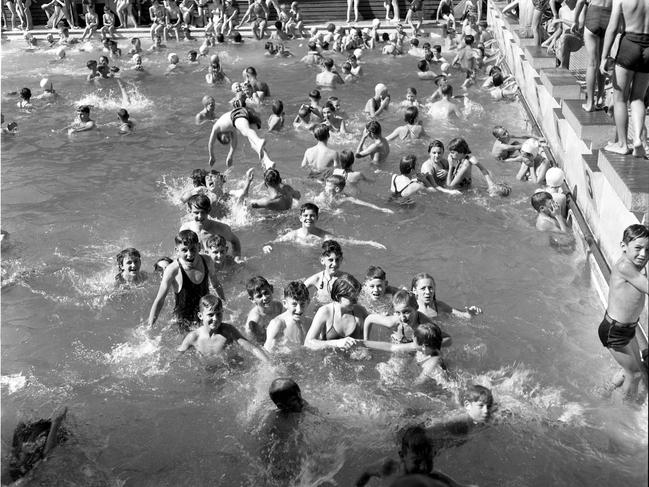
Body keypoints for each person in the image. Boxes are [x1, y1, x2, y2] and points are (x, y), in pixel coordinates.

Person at [598, 224, 649, 398]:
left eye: (648, 250)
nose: (643, 254)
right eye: (638, 248)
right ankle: (627, 415)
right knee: (634, 374)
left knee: (636, 367)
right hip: (615, 331)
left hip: (627, 329)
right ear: (623, 246)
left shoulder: (636, 265)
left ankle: (603, 393)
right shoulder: (624, 267)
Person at [599, 0, 649, 156]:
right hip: (648, 49)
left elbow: (612, 28)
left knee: (620, 98)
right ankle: (637, 140)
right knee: (638, 98)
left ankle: (622, 144)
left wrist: (604, 56)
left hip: (629, 45)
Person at [148, 230, 223, 330]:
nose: (189, 254)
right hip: (184, 321)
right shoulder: (172, 270)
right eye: (184, 250)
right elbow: (160, 300)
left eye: (193, 249)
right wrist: (150, 326)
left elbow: (216, 284)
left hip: (206, 315)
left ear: (199, 247)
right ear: (176, 250)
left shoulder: (207, 261)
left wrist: (223, 302)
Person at [355, 426, 474, 486]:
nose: (423, 467)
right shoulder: (387, 467)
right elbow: (366, 471)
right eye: (417, 462)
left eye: (428, 461)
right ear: (402, 456)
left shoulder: (434, 477)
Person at [177, 294, 270, 364]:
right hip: (208, 370)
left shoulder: (228, 331)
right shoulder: (193, 337)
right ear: (200, 316)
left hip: (230, 368)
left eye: (219, 314)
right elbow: (178, 356)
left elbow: (251, 347)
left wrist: (269, 364)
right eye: (210, 315)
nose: (215, 319)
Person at [263, 202, 386, 252]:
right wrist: (267, 245)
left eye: (312, 216)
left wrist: (368, 243)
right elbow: (275, 242)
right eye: (305, 215)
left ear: (317, 218)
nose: (308, 218)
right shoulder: (293, 235)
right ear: (300, 218)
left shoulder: (323, 236)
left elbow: (347, 241)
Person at [304, 272, 368, 350]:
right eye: (352, 299)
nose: (356, 302)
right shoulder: (325, 312)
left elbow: (366, 344)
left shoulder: (360, 312)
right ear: (338, 296)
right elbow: (308, 343)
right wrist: (337, 343)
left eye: (356, 298)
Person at [207, 98, 274, 169]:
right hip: (250, 115)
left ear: (219, 135)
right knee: (253, 144)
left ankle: (258, 140)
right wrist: (230, 156)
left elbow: (211, 143)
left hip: (238, 113)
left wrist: (212, 156)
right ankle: (268, 162)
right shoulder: (231, 130)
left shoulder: (216, 127)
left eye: (225, 138)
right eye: (228, 139)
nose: (228, 137)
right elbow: (234, 143)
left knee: (246, 131)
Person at [179, 194, 242, 258]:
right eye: (196, 213)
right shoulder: (185, 229)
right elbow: (181, 249)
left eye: (203, 212)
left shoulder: (220, 228)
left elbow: (235, 241)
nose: (200, 216)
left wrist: (237, 257)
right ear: (189, 211)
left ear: (209, 210)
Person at [425, 384, 493, 437]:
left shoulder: (486, 415)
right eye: (481, 406)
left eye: (488, 406)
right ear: (468, 405)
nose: (486, 411)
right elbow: (432, 424)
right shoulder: (459, 420)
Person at [410, 273, 481, 319]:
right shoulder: (409, 308)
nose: (428, 292)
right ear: (414, 290)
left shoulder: (439, 305)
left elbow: (461, 315)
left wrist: (470, 314)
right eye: (423, 288)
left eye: (430, 288)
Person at [264, 281, 311, 351]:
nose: (299, 309)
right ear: (285, 303)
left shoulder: (310, 322)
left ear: (308, 302)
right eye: (294, 304)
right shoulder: (278, 324)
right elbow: (267, 351)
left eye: (302, 304)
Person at [316, 174, 394, 214]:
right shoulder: (323, 195)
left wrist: (380, 209)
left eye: (327, 186)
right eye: (326, 185)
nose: (325, 187)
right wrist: (334, 212)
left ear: (337, 189)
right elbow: (319, 207)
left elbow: (362, 202)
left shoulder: (344, 197)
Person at [244, 275, 284, 344]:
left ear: (271, 289)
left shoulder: (278, 305)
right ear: (252, 299)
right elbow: (252, 343)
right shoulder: (255, 320)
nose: (265, 298)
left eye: (266, 293)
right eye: (259, 296)